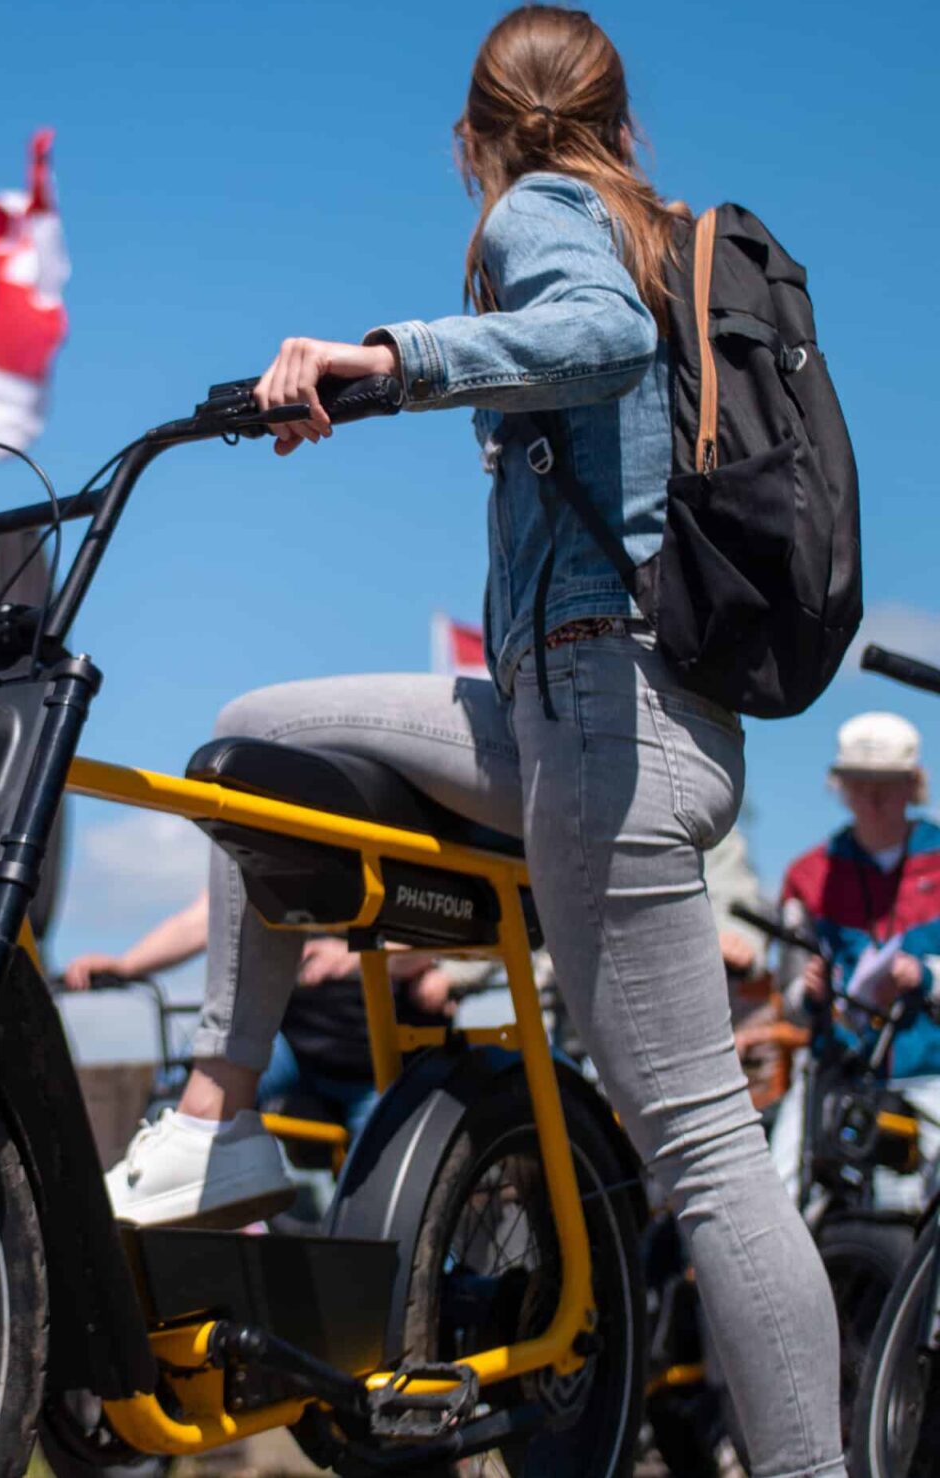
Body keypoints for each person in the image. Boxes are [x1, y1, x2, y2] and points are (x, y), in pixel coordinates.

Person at [97, 9, 844, 1473]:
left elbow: (597, 339)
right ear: (628, 124)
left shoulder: (543, 212)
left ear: (472, 137)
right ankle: (216, 1109)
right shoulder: (637, 217)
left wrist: (389, 353)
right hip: (597, 719)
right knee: (252, 742)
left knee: (703, 1154)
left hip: (601, 721)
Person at [62, 892, 458, 1141]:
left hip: (386, 1063)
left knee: (394, 1190)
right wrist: (127, 964)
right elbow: (212, 913)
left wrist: (355, 957)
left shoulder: (391, 814)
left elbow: (446, 925)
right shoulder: (286, 837)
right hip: (292, 1044)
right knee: (179, 1099)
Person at [778, 712, 940, 1076]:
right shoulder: (807, 875)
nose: (873, 797)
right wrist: (810, 994)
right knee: (781, 1136)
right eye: (858, 782)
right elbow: (788, 996)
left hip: (931, 1077)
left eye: (887, 782)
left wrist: (926, 976)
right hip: (837, 1072)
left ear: (913, 785)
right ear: (840, 787)